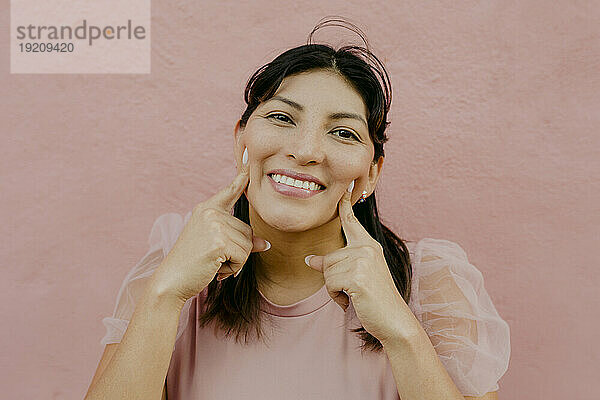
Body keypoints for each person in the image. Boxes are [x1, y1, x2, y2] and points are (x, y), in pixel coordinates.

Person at [85, 17, 510, 400]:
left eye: (343, 133)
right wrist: (166, 294)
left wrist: (401, 331)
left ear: (372, 172)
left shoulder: (432, 284)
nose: (306, 151)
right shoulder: (174, 270)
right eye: (283, 119)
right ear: (241, 140)